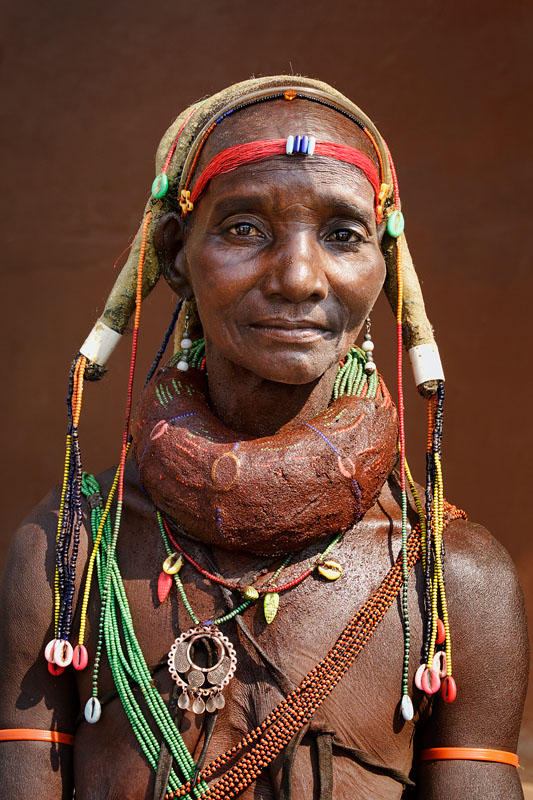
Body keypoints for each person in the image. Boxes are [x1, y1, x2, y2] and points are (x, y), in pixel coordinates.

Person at [0, 75, 527, 800]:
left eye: (343, 235)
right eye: (244, 228)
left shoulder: (450, 582)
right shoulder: (70, 559)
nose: (299, 277)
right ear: (177, 256)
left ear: (383, 269)